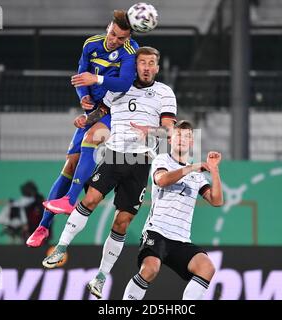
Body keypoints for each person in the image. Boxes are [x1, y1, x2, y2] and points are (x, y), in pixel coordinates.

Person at [42, 47, 178, 300]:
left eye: (151, 63)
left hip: (141, 161)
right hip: (114, 154)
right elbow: (101, 111)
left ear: (158, 68)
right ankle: (60, 248)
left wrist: (152, 131)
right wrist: (87, 120)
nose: (147, 67)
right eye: (142, 62)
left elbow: (170, 130)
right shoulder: (119, 88)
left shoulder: (164, 93)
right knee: (90, 200)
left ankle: (101, 277)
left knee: (122, 222)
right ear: (135, 65)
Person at [26, 9, 139, 247]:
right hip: (94, 110)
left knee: (91, 136)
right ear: (109, 26)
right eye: (113, 34)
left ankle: (70, 199)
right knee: (70, 164)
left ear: (127, 38)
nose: (114, 40)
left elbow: (125, 83)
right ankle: (43, 227)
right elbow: (80, 77)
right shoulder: (91, 44)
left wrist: (95, 81)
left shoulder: (130, 52)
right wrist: (83, 98)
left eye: (121, 38)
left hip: (114, 112)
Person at [123, 120, 224, 300]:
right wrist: (191, 167)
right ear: (170, 139)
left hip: (181, 239)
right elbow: (162, 180)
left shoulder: (197, 175)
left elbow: (216, 201)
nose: (182, 140)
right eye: (178, 135)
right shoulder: (162, 160)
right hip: (157, 232)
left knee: (206, 267)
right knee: (150, 269)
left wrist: (214, 170)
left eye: (187, 137)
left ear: (192, 142)